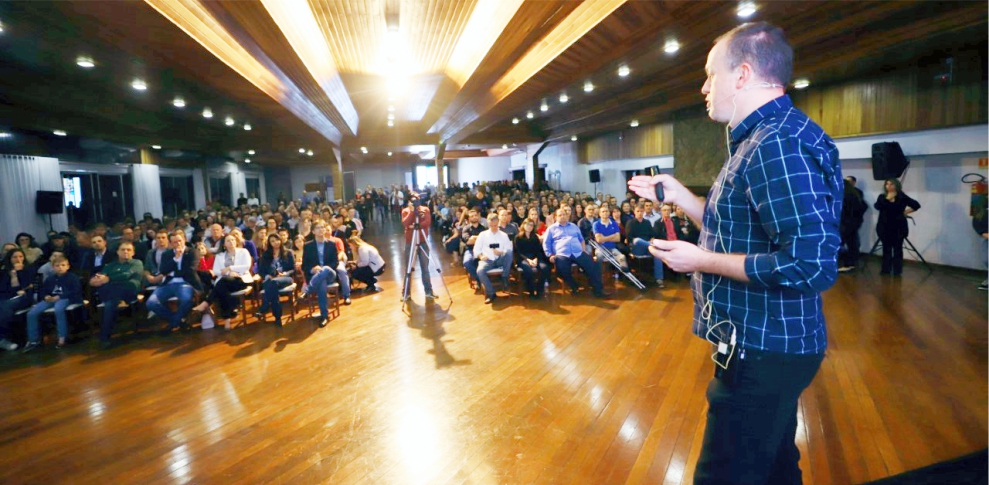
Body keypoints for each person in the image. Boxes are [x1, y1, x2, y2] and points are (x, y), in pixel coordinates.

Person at [628, 22, 841, 485]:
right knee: (774, 466)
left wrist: (700, 260)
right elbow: (736, 233)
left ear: (742, 74)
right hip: (763, 344)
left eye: (710, 75)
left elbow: (812, 264)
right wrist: (681, 196)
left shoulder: (775, 144)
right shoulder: (762, 138)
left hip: (766, 348)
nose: (704, 88)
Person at [146, 231, 203, 334]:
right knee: (151, 303)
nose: (178, 244)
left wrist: (173, 272)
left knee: (186, 299)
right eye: (174, 242)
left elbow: (190, 270)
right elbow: (163, 270)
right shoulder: (167, 254)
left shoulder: (192, 252)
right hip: (168, 283)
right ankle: (179, 321)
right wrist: (175, 259)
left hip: (185, 283)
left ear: (184, 240)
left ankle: (173, 324)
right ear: (171, 243)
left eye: (179, 241)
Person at [23, 255, 83, 352]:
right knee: (31, 313)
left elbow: (76, 291)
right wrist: (46, 296)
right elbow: (43, 291)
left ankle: (62, 337)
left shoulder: (72, 277)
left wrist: (60, 297)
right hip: (51, 299)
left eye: (63, 265)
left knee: (58, 309)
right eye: (57, 265)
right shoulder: (50, 279)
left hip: (67, 298)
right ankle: (33, 340)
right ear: (53, 267)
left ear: (68, 266)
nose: (60, 267)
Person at [89, 241, 143, 348]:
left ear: (133, 252)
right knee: (110, 303)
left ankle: (104, 337)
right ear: (118, 252)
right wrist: (95, 280)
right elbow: (99, 278)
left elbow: (127, 275)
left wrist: (110, 278)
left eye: (129, 250)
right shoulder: (111, 265)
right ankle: (105, 337)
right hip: (114, 294)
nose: (126, 252)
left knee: (128, 283)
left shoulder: (137, 263)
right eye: (123, 250)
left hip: (130, 291)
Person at [543, 208, 606, 298]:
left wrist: (583, 250)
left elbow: (581, 239)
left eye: (564, 214)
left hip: (578, 252)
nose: (562, 216)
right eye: (560, 215)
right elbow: (546, 243)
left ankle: (598, 290)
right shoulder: (551, 229)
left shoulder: (574, 226)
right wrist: (550, 255)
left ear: (567, 216)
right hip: (562, 254)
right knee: (561, 269)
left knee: (593, 265)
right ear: (555, 217)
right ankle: (574, 285)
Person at [197, 234, 253, 330]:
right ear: (224, 244)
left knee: (221, 284)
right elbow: (216, 271)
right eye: (228, 241)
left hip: (241, 279)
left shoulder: (243, 251)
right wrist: (228, 273)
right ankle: (227, 320)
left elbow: (246, 266)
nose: (231, 242)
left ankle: (207, 303)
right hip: (226, 281)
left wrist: (230, 268)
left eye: (233, 240)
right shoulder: (220, 256)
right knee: (223, 287)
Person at [874, 178, 920, 276]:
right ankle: (885, 269)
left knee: (898, 249)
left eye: (891, 184)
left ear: (896, 186)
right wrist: (888, 199)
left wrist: (905, 212)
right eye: (887, 184)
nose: (889, 186)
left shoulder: (902, 196)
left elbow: (916, 205)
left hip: (899, 227)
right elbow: (878, 206)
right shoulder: (882, 197)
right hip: (884, 226)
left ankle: (897, 271)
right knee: (886, 249)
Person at [301, 221, 340, 327]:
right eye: (318, 228)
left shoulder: (331, 244)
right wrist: (312, 269)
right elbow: (304, 265)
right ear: (313, 231)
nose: (321, 229)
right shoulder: (308, 246)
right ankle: (324, 316)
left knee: (326, 268)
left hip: (330, 274)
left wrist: (323, 269)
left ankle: (308, 290)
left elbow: (335, 262)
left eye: (322, 227)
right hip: (316, 276)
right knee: (322, 284)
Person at [400, 196, 437, 300]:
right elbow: (405, 223)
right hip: (410, 242)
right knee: (408, 268)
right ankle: (405, 293)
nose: (415, 202)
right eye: (413, 200)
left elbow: (427, 222)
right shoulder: (405, 211)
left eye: (417, 200)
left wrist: (416, 226)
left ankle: (428, 291)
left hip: (423, 242)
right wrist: (412, 212)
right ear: (408, 202)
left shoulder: (425, 210)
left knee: (425, 268)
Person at [0, 249, 37, 351]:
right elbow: (4, 289)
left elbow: (28, 287)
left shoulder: (29, 269)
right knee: (3, 306)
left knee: (5, 307)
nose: (18, 259)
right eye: (15, 257)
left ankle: (2, 339)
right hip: (7, 297)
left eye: (20, 256)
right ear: (10, 259)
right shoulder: (4, 271)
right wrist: (12, 277)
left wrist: (19, 272)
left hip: (24, 298)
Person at [256, 233, 295, 326]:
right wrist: (266, 276)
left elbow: (293, 269)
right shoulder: (266, 255)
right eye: (272, 241)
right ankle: (278, 318)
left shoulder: (288, 252)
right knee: (272, 288)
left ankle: (264, 308)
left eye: (277, 240)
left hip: (286, 278)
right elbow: (261, 271)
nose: (276, 242)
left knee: (271, 284)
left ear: (280, 240)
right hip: (271, 279)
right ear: (269, 243)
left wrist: (285, 273)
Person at [474, 213, 513, 304]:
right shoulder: (482, 235)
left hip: (500, 259)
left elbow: (508, 249)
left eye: (495, 225)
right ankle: (491, 293)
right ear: (488, 224)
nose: (493, 227)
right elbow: (476, 249)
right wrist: (481, 256)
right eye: (491, 225)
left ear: (498, 223)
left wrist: (500, 252)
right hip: (488, 260)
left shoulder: (503, 235)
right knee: (480, 271)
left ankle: (504, 277)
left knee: (509, 253)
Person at [515, 219, 551, 298]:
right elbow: (518, 252)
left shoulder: (535, 237)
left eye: (531, 225)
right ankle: (531, 291)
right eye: (528, 224)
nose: (529, 227)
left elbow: (538, 250)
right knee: (529, 270)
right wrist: (528, 260)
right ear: (523, 225)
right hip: (523, 259)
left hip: (535, 257)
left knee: (545, 268)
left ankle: (539, 289)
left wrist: (535, 259)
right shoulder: (518, 237)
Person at [838, 177, 868, 272]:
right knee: (852, 243)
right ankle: (851, 264)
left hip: (845, 223)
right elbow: (864, 206)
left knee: (843, 242)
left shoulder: (845, 196)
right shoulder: (855, 194)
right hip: (853, 223)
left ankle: (848, 264)